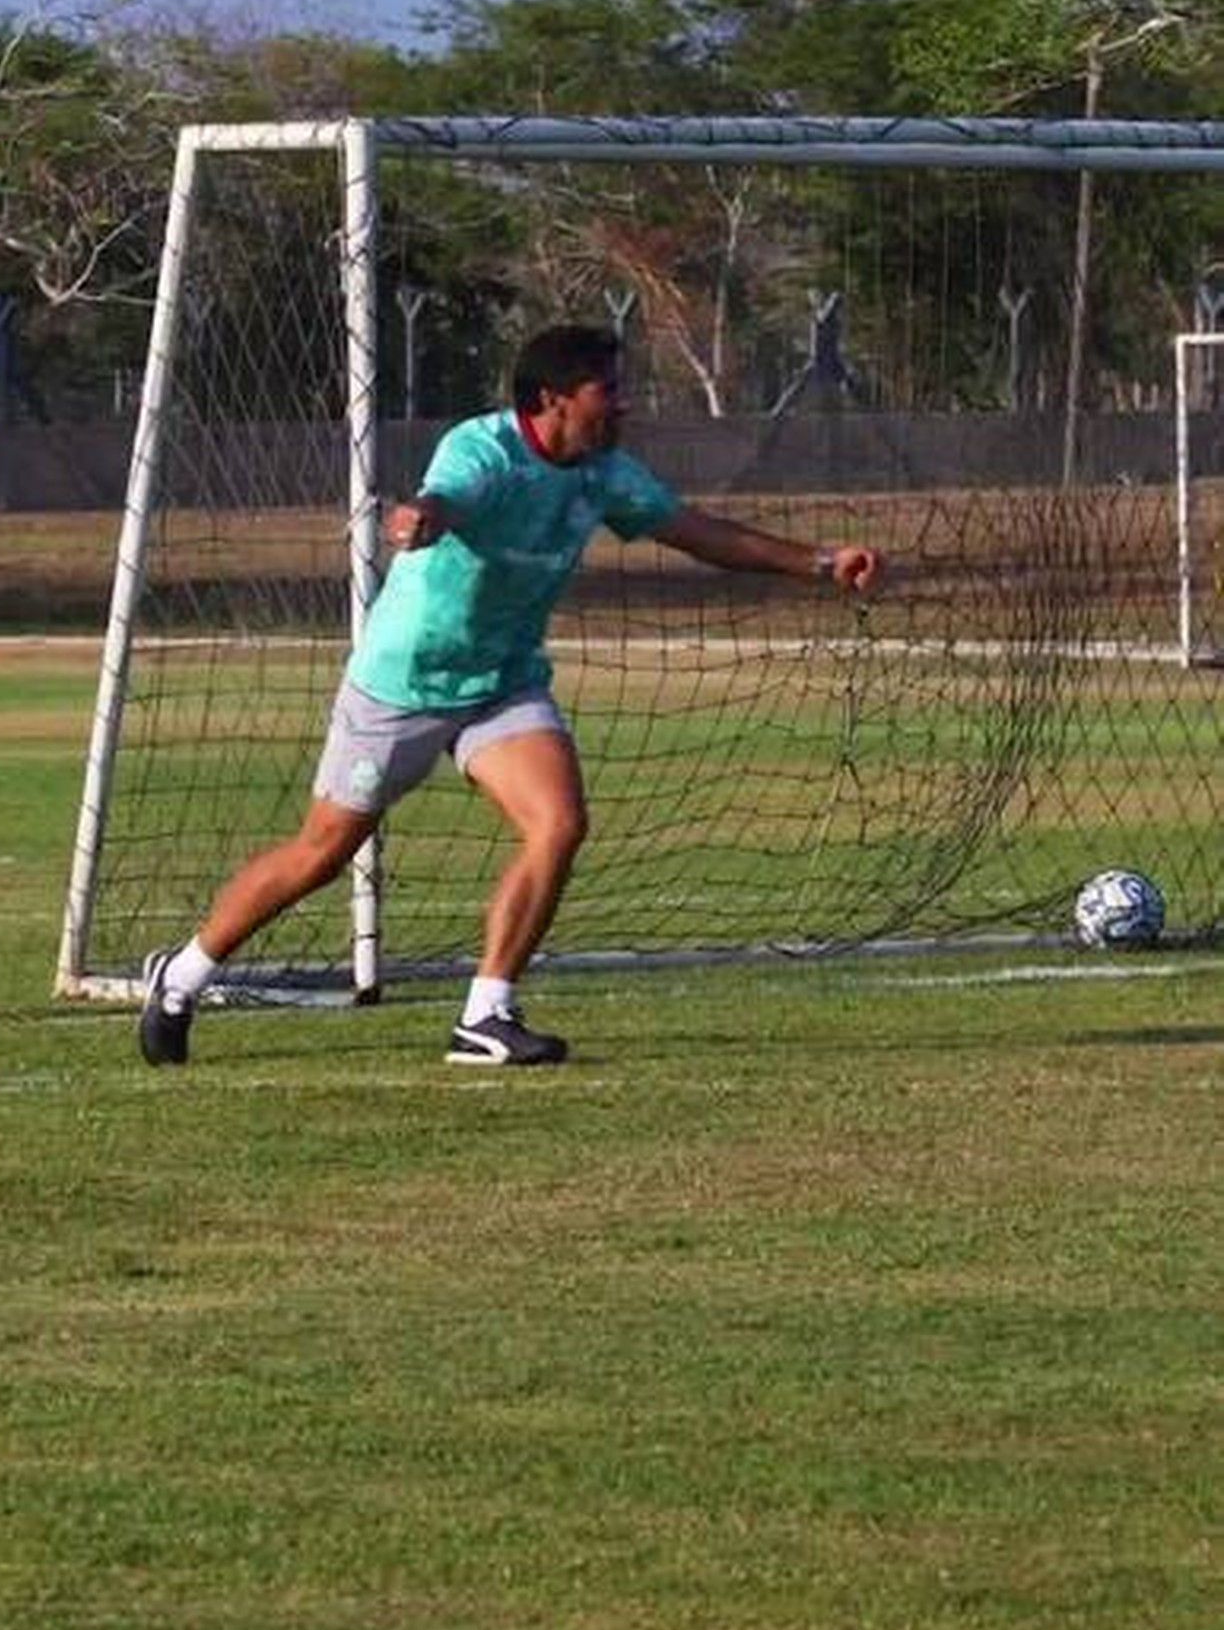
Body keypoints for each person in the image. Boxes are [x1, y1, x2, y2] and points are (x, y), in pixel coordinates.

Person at [139, 322, 883, 1071]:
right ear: (553, 399)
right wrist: (419, 517)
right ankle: (182, 976)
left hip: (503, 682)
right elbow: (446, 498)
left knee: (558, 822)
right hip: (405, 681)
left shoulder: (606, 474)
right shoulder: (483, 447)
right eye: (608, 391)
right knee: (322, 852)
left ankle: (486, 1014)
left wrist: (820, 561)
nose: (622, 405)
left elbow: (698, 532)